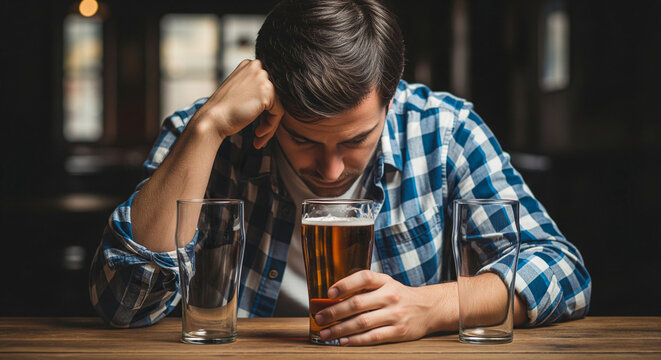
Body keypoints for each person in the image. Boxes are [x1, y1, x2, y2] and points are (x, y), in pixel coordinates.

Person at [89, 0, 591, 345]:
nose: (329, 168)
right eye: (303, 139)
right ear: (270, 107)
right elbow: (124, 304)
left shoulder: (446, 130)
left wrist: (434, 307)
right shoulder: (204, 135)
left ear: (391, 100)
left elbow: (564, 272)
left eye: (355, 140)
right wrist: (207, 128)